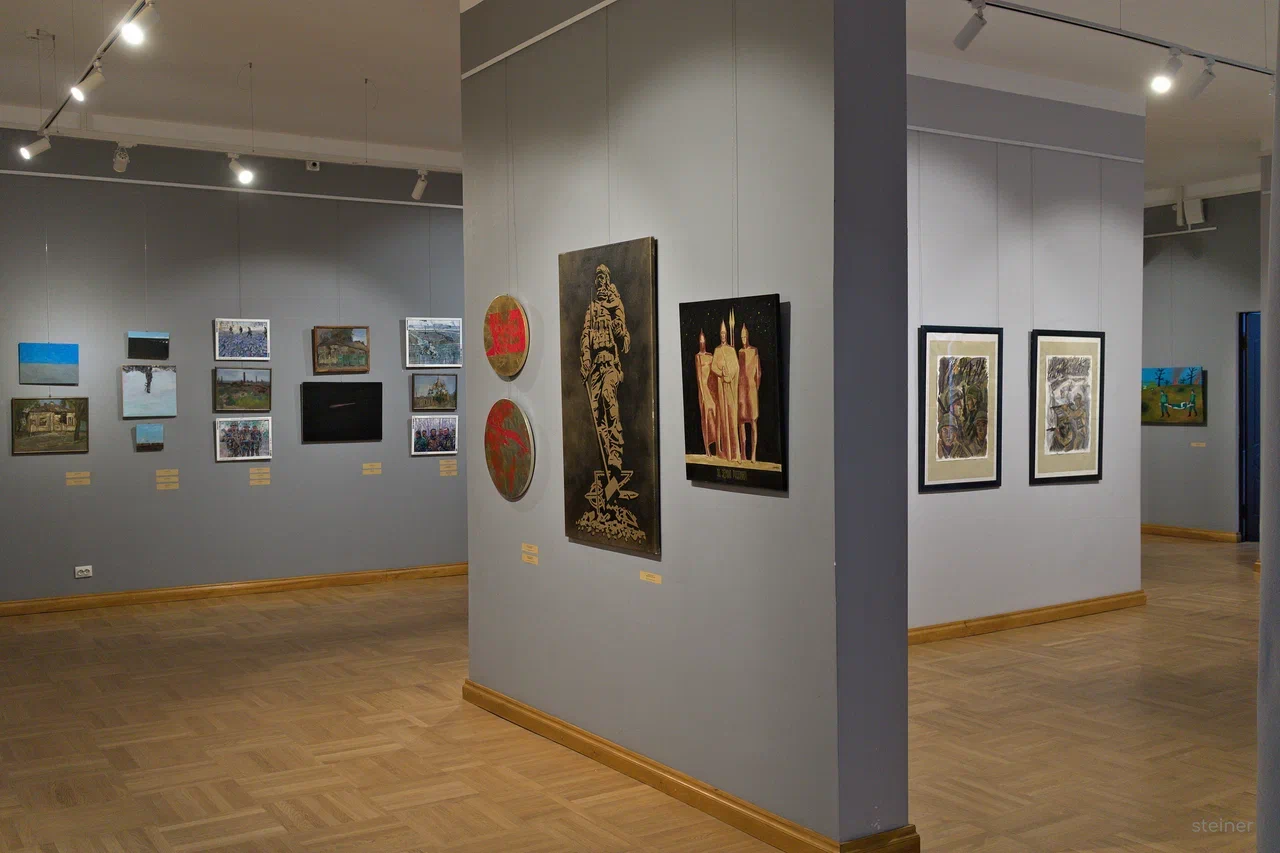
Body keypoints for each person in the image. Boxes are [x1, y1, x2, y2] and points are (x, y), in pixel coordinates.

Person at [580, 263, 632, 497]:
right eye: (597, 277)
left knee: (608, 398)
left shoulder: (615, 304)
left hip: (611, 364)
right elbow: (585, 336)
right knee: (596, 414)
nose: (600, 281)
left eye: (603, 277)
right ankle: (608, 463)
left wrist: (618, 328)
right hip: (595, 369)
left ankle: (616, 457)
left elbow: (624, 339)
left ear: (608, 280)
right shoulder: (591, 309)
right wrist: (585, 360)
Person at [710, 320, 740, 461]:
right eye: (721, 334)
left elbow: (736, 367)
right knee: (724, 418)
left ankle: (736, 453)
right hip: (721, 388)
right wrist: (721, 372)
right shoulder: (717, 350)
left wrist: (730, 376)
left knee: (732, 418)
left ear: (726, 335)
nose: (722, 336)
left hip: (730, 389)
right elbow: (713, 367)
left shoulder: (731, 350)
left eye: (724, 333)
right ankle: (727, 453)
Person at [738, 324, 761, 463]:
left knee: (753, 421)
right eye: (741, 337)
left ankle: (753, 454)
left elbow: (758, 373)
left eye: (745, 336)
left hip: (751, 389)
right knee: (741, 421)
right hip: (741, 390)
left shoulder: (754, 351)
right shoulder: (740, 352)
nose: (743, 339)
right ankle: (742, 453)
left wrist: (754, 388)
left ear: (748, 336)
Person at [693, 331, 717, 457]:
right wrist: (702, 394)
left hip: (711, 389)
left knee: (715, 416)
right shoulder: (698, 357)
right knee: (705, 418)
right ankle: (707, 449)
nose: (702, 343)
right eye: (700, 341)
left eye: (703, 341)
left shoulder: (710, 355)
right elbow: (698, 376)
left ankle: (717, 446)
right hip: (703, 390)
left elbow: (714, 373)